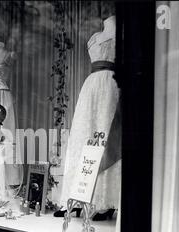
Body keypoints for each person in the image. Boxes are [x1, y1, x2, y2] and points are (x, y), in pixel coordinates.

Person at [58, 15, 121, 221]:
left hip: (110, 86)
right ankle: (76, 197)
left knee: (103, 136)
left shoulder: (120, 34)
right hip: (91, 87)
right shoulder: (94, 37)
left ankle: (106, 202)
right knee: (83, 139)